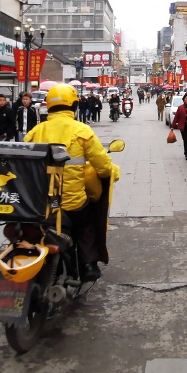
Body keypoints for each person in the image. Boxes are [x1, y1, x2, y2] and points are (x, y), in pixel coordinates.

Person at [25, 83, 120, 281]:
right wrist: (113, 172)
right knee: (87, 223)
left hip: (42, 203)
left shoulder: (35, 132)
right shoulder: (82, 131)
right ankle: (88, 264)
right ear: (75, 106)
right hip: (72, 202)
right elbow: (103, 167)